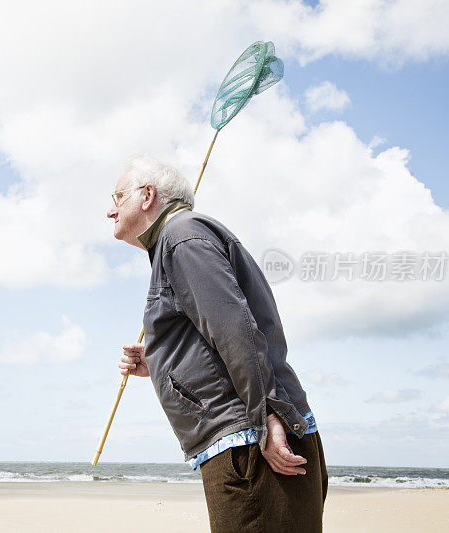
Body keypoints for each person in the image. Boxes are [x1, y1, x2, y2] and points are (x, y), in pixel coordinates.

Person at [107, 155, 328, 533]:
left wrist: (268, 416)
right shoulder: (181, 240)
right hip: (248, 437)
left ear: (147, 195)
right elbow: (217, 331)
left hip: (251, 442)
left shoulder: (181, 237)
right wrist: (159, 361)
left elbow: (234, 329)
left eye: (117, 197)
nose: (110, 211)